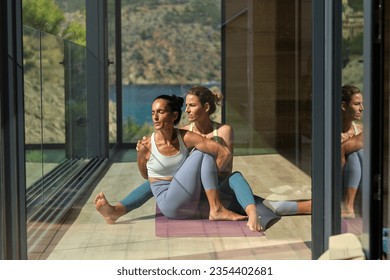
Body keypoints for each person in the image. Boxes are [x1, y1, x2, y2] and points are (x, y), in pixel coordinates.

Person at [95, 86, 280, 231]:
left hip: (185, 194)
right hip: (171, 203)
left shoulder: (186, 136)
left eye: (160, 112)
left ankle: (115, 212)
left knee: (212, 159)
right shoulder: (147, 144)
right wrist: (140, 155)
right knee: (199, 155)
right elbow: (146, 177)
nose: (155, 117)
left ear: (174, 115)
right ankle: (216, 209)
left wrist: (206, 178)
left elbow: (224, 153)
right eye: (153, 113)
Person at [263, 84, 364, 219]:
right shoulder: (328, 131)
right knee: (352, 152)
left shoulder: (362, 130)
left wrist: (342, 150)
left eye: (361, 104)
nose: (362, 108)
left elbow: (344, 149)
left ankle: (347, 206)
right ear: (344, 106)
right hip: (334, 181)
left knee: (354, 153)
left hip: (360, 186)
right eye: (357, 104)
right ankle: (287, 207)